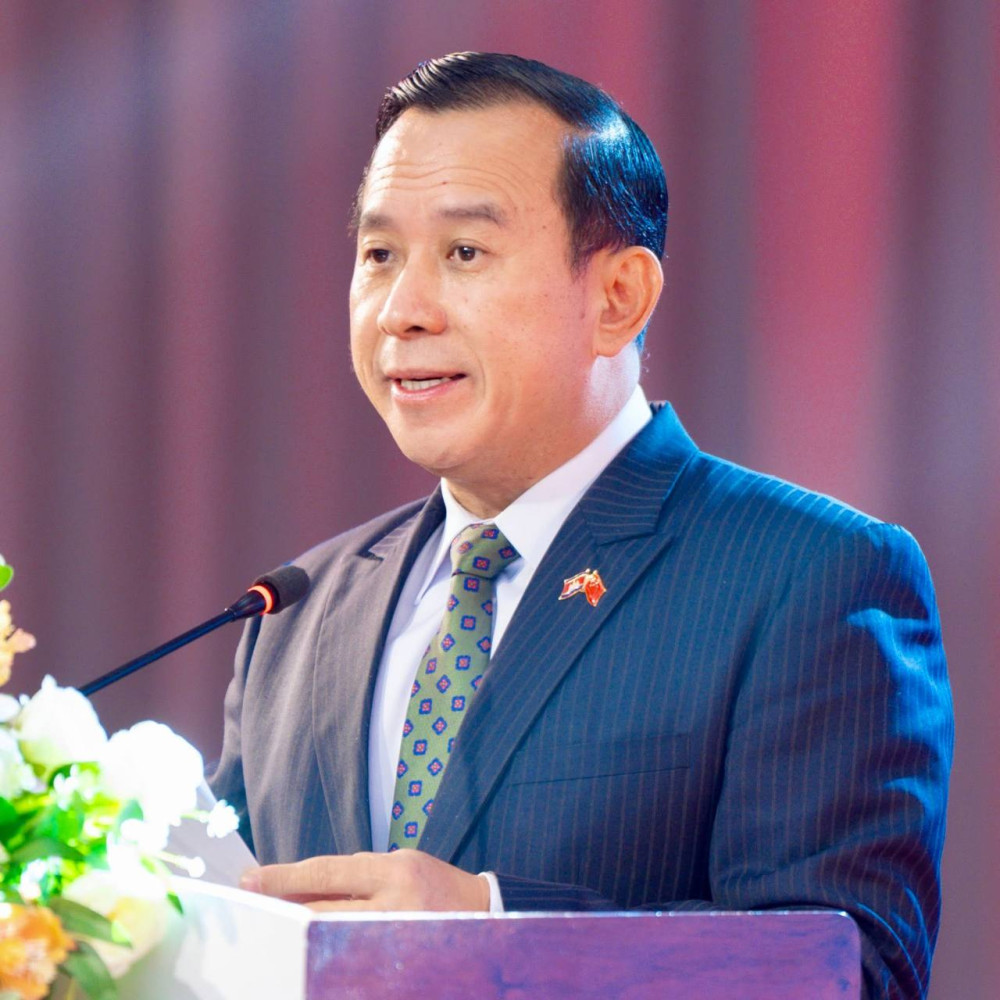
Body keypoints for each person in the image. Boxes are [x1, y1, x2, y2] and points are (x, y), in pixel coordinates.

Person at [210, 52, 953, 999]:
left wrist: (493, 929)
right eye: (380, 255)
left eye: (464, 253)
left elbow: (858, 972)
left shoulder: (812, 576)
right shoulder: (297, 609)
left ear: (618, 298)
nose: (402, 311)